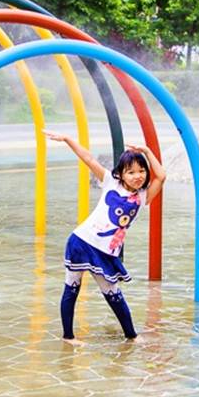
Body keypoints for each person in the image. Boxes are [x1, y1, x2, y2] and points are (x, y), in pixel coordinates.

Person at [44, 131, 165, 342]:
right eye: (131, 172)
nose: (138, 176)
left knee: (113, 293)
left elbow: (161, 176)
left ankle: (132, 336)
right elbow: (89, 159)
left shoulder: (143, 196)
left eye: (141, 170)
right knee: (72, 287)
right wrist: (68, 140)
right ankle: (68, 337)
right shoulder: (111, 182)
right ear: (121, 174)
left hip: (106, 251)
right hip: (81, 242)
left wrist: (146, 150)